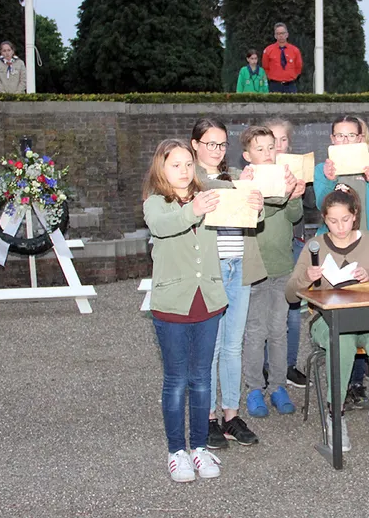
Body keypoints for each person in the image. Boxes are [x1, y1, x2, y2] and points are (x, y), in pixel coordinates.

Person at [142, 138, 250, 482]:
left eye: (188, 164)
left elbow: (242, 206)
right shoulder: (155, 203)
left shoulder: (207, 192)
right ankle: (177, 451)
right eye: (176, 165)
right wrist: (195, 209)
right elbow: (163, 226)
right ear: (161, 168)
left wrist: (255, 201)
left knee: (202, 379)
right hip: (172, 302)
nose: (185, 171)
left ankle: (200, 448)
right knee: (176, 380)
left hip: (208, 299)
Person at [286, 184, 369, 450]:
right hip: (327, 320)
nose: (340, 226)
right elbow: (290, 295)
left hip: (367, 316)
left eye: (346, 220)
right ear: (324, 219)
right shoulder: (315, 246)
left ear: (355, 215)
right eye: (333, 221)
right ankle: (335, 414)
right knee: (343, 340)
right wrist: (307, 278)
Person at [190, 118, 265, 450]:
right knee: (213, 346)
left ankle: (231, 415)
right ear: (195, 145)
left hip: (239, 265)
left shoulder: (234, 176)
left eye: (222, 145)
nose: (217, 151)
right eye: (210, 144)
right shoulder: (190, 179)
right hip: (211, 269)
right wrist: (237, 187)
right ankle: (206, 419)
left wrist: (256, 204)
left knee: (234, 345)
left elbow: (254, 220)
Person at [313, 115, 369, 409]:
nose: (345, 141)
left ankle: (359, 381)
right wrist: (329, 181)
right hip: (335, 250)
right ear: (332, 140)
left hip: (366, 246)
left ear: (361, 138)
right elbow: (320, 205)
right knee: (342, 308)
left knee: (366, 307)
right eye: (339, 136)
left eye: (351, 136)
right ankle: (343, 385)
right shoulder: (324, 168)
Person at [240, 125, 305, 417]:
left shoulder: (285, 176)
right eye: (260, 149)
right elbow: (249, 215)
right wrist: (249, 188)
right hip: (255, 268)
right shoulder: (243, 181)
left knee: (279, 330)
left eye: (271, 147)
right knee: (255, 332)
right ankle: (254, 388)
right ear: (247, 155)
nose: (267, 153)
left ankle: (278, 386)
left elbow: (295, 216)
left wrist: (294, 193)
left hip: (282, 265)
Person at [264, 117, 309, 388]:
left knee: (293, 310)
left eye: (283, 140)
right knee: (265, 310)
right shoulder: (256, 172)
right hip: (267, 247)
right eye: (272, 141)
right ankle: (266, 366)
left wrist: (304, 189)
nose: (278, 146)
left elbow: (314, 207)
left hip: (295, 243)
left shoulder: (300, 169)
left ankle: (288, 364)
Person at [262, 23, 302, 93]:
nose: (281, 35)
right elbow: (265, 67)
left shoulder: (295, 50)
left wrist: (291, 77)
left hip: (290, 86)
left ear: (287, 34)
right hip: (274, 86)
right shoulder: (268, 50)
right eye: (278, 33)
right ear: (275, 36)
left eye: (282, 33)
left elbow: (298, 67)